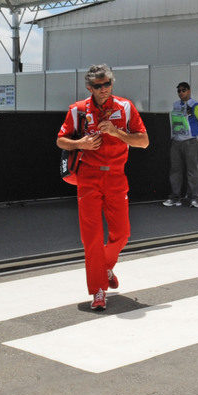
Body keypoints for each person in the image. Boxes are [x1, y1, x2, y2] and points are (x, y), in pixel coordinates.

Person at [57, 64, 149, 311]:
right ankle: (98, 290)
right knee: (92, 238)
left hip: (117, 177)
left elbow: (144, 141)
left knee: (122, 233)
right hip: (88, 178)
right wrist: (81, 143)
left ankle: (105, 267)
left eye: (107, 83)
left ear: (112, 83)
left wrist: (118, 133)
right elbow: (60, 140)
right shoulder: (78, 110)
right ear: (89, 87)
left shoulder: (125, 107)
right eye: (97, 85)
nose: (103, 89)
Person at [163, 82, 198, 208]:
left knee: (191, 170)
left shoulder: (196, 105)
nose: (181, 93)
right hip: (177, 140)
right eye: (179, 91)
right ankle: (175, 197)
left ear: (189, 91)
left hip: (190, 141)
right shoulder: (176, 105)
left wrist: (193, 133)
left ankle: (194, 198)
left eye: (183, 90)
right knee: (175, 170)